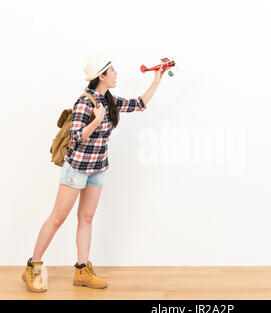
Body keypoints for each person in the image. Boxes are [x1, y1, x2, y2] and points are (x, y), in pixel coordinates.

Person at [21, 53, 167, 292]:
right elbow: (75, 137)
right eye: (113, 71)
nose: (116, 74)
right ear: (102, 75)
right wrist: (96, 120)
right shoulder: (85, 102)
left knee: (86, 218)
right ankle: (32, 267)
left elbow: (139, 104)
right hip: (76, 168)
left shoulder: (109, 100)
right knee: (58, 218)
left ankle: (81, 270)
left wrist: (157, 78)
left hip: (97, 169)